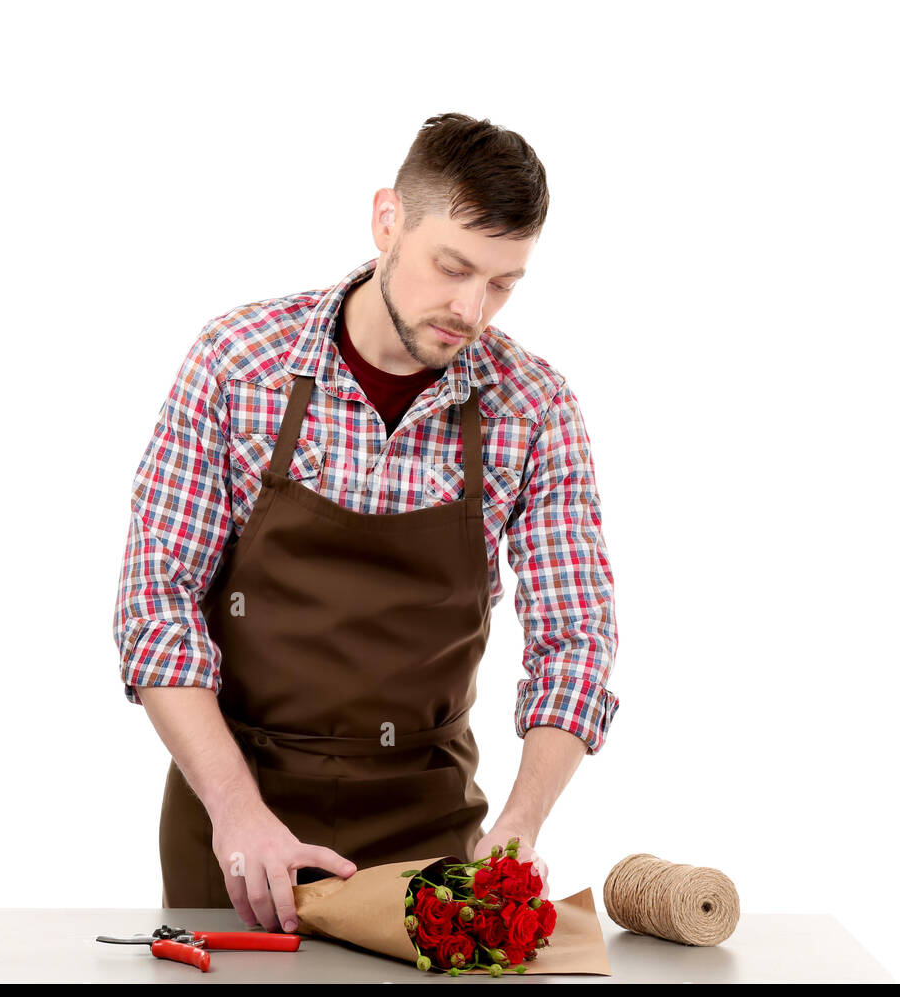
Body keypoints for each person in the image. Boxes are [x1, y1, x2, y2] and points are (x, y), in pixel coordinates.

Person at [112, 112, 621, 934]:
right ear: (388, 219)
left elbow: (576, 639)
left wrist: (522, 825)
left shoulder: (535, 407)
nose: (471, 308)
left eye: (502, 283)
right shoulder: (238, 363)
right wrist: (237, 811)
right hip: (234, 820)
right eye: (452, 266)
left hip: (429, 833)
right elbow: (155, 609)